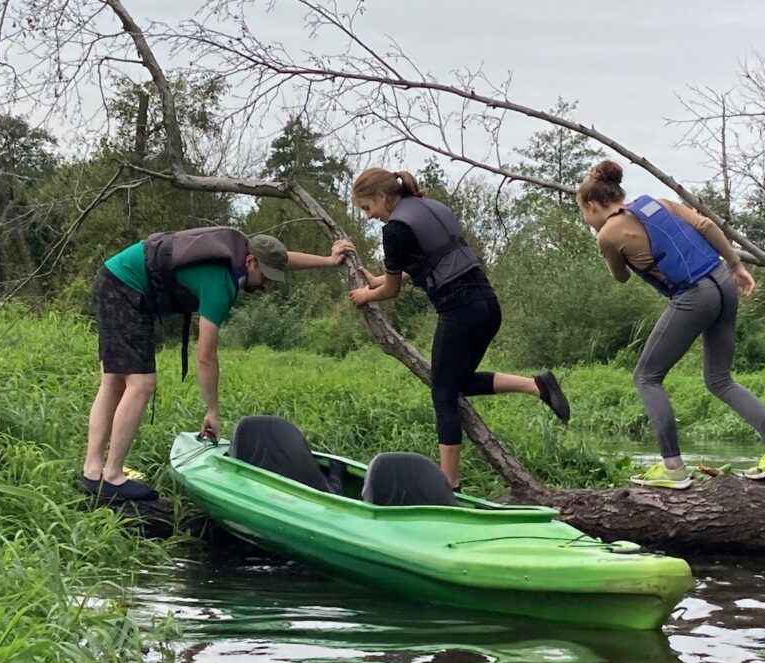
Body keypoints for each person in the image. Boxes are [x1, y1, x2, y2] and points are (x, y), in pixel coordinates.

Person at [576, 160, 765, 488]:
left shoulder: (607, 235)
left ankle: (672, 467)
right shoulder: (658, 203)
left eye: (583, 214)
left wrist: (609, 246)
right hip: (722, 281)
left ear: (592, 205)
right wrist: (736, 265)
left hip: (694, 296)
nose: (586, 220)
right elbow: (707, 226)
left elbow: (621, 277)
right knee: (720, 379)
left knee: (646, 377)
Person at [78, 226, 350, 501]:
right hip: (126, 289)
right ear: (251, 262)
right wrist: (212, 411)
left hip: (113, 278)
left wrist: (328, 261)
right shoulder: (221, 284)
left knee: (113, 383)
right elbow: (205, 355)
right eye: (266, 277)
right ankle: (112, 476)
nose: (266, 285)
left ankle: (93, 471)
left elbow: (282, 258)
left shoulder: (243, 250)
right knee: (141, 384)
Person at [344, 167, 570, 490]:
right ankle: (537, 385)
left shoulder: (395, 228)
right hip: (488, 305)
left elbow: (391, 291)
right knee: (457, 382)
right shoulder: (433, 207)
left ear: (381, 196)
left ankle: (449, 482)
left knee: (443, 393)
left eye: (367, 208)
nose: (369, 216)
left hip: (459, 310)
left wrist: (366, 295)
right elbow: (429, 262)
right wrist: (377, 280)